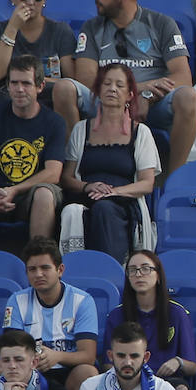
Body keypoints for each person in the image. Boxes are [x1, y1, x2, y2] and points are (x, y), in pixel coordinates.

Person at [74, 0, 196, 172]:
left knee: (188, 97)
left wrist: (148, 95)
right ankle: (74, 171)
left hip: (153, 103)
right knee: (65, 89)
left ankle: (175, 178)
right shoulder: (92, 27)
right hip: (104, 98)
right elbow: (86, 79)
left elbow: (183, 76)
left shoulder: (162, 24)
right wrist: (136, 90)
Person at [0, 55, 65, 255]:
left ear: (40, 87)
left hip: (31, 192)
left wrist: (15, 190)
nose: (19, 89)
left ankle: (38, 261)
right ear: (7, 86)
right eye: (14, 83)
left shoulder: (54, 122)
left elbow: (53, 173)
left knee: (45, 194)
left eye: (26, 83)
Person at [59, 63, 160, 261]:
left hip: (124, 203)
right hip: (86, 199)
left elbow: (147, 184)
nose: (112, 88)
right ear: (98, 90)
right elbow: (66, 178)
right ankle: (77, 268)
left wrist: (114, 191)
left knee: (104, 208)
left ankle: (111, 271)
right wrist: (88, 186)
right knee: (76, 210)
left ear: (130, 95)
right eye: (107, 83)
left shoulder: (141, 133)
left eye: (119, 85)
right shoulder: (81, 130)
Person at [102, 250, 196, 390]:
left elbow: (192, 366)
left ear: (158, 275)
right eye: (133, 270)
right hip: (126, 381)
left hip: (165, 382)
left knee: (181, 389)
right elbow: (106, 364)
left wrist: (178, 362)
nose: (139, 274)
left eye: (145, 269)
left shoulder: (177, 313)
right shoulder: (116, 316)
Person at [0, 0, 84, 131]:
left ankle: (68, 155)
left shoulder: (60, 30)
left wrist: (34, 84)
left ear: (44, 0)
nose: (30, 2)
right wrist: (12, 28)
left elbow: (71, 80)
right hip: (13, 97)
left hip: (50, 96)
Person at [1, 238, 100, 390]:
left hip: (68, 372)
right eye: (32, 269)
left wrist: (57, 356)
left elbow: (88, 355)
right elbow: (11, 347)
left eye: (45, 268)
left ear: (60, 270)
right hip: (29, 371)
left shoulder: (82, 300)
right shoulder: (16, 300)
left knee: (87, 372)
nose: (38, 274)